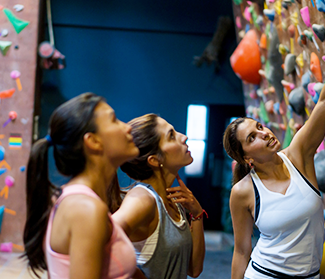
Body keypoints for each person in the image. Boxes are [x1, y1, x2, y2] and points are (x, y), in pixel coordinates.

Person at [223, 13, 325, 279]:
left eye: (259, 126)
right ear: (247, 159)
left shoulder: (298, 154)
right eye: (252, 138)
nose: (264, 133)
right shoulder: (242, 192)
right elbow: (241, 252)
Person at [22, 93, 144, 279]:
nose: (127, 127)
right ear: (93, 141)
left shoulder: (79, 201)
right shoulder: (86, 209)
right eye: (114, 120)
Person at [112, 114, 205, 279]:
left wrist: (197, 214)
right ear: (155, 160)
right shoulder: (144, 198)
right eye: (171, 136)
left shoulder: (173, 200)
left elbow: (194, 269)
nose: (184, 137)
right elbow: (105, 237)